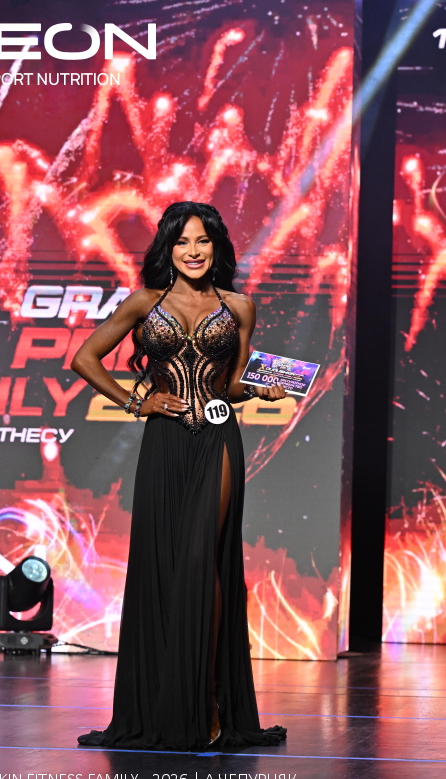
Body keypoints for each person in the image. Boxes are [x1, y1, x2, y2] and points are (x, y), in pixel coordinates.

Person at [72, 201, 287, 749]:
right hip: (165, 444)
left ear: (217, 247)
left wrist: (259, 389)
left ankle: (208, 700)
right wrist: (136, 402)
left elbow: (232, 384)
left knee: (201, 558)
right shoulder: (144, 302)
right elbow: (85, 358)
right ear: (168, 249)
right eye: (183, 242)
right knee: (164, 566)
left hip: (218, 438)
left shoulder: (239, 306)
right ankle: (168, 701)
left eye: (203, 241)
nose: (193, 251)